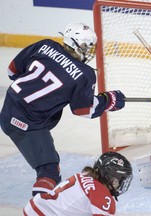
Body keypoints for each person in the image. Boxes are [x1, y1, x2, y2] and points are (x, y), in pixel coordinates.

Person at [0, 22, 126, 196]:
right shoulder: (84, 74)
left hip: (8, 108)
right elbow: (84, 110)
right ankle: (41, 209)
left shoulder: (44, 45)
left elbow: (12, 71)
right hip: (28, 125)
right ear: (77, 44)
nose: (90, 51)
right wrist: (109, 100)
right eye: (87, 46)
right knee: (49, 171)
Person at [23, 151, 133, 216]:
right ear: (109, 178)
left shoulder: (84, 176)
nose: (119, 185)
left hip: (37, 208)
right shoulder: (103, 196)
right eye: (118, 181)